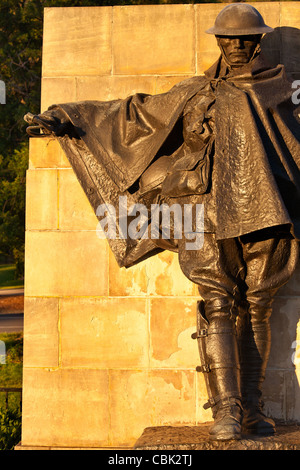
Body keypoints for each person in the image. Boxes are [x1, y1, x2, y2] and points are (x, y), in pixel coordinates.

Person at [24, 4, 300, 441]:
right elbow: (134, 114)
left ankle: (253, 405)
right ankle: (227, 411)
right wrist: (69, 115)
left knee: (259, 306)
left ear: (259, 41)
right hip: (205, 208)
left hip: (263, 210)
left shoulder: (282, 87)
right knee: (218, 302)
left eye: (244, 39)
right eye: (227, 40)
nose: (235, 47)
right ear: (217, 42)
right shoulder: (195, 91)